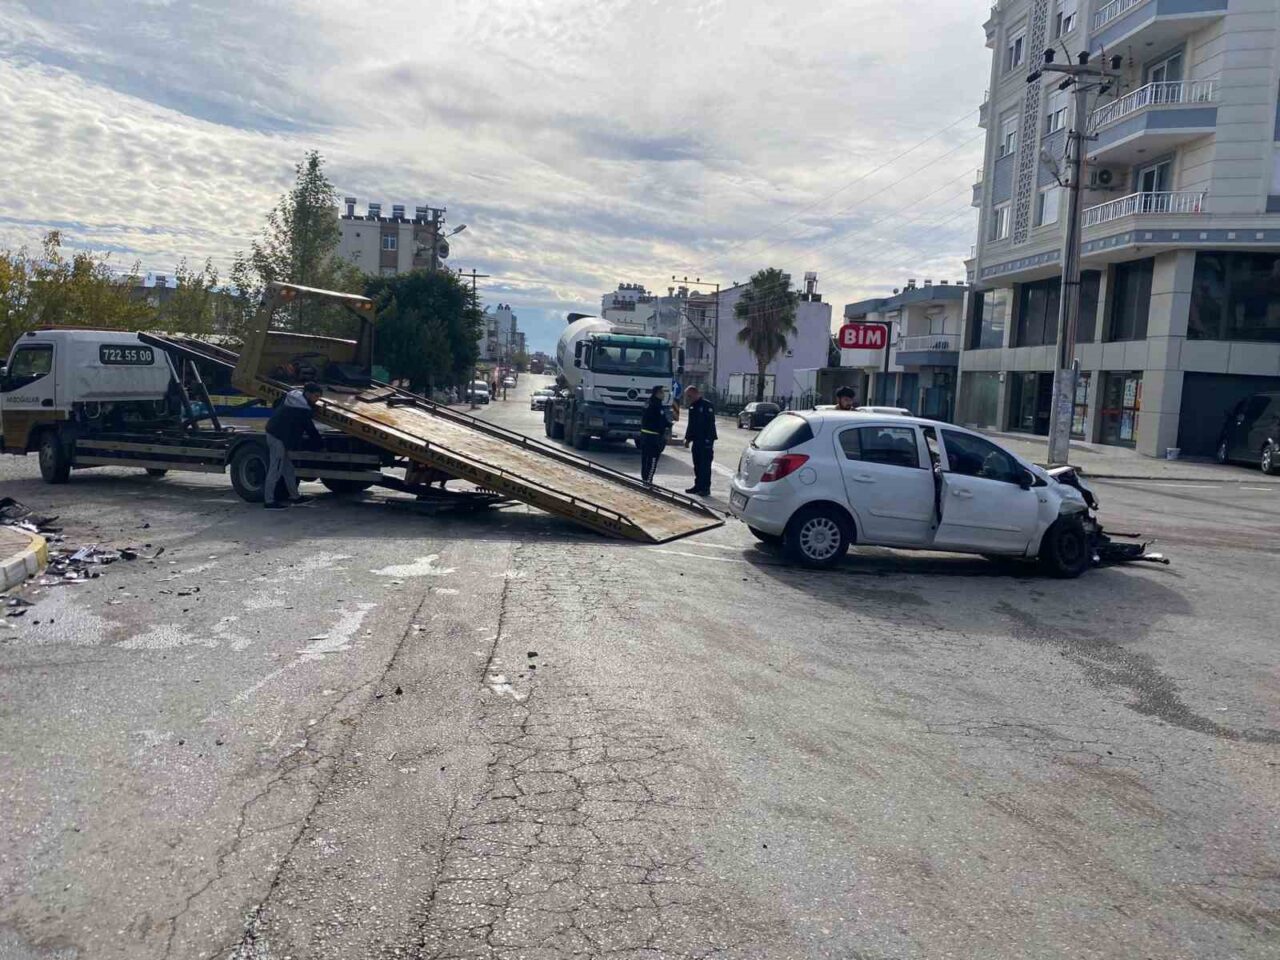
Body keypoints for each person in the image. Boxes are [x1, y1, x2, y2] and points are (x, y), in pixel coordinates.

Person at [264, 382, 323, 509]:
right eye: (316, 396)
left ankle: (295, 497)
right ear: (308, 394)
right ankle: (269, 502)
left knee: (288, 469)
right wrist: (320, 444)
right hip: (277, 437)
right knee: (275, 469)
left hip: (276, 433)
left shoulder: (292, 395)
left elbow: (276, 404)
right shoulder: (303, 409)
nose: (317, 400)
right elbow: (310, 429)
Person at [682, 385, 717, 496]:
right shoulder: (693, 407)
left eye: (689, 396)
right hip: (697, 440)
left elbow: (710, 424)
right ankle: (698, 486)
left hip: (706, 440)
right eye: (687, 396)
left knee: (705, 465)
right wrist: (688, 439)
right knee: (697, 464)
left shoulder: (707, 405)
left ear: (696, 393)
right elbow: (691, 425)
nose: (688, 398)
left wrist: (708, 440)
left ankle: (705, 488)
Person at [639, 385, 672, 485]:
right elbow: (660, 421)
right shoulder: (656, 405)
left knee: (645, 460)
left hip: (644, 435)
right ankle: (648, 481)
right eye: (662, 392)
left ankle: (645, 480)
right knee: (652, 460)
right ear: (657, 393)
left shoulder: (648, 403)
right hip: (653, 437)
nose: (664, 395)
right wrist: (668, 425)